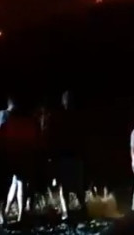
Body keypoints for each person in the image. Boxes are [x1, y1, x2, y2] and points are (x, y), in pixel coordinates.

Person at [51, 91, 88, 221]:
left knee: (64, 187)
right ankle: (83, 208)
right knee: (78, 186)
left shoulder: (59, 117)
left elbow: (54, 139)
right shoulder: (78, 117)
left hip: (65, 156)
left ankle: (66, 212)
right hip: (75, 156)